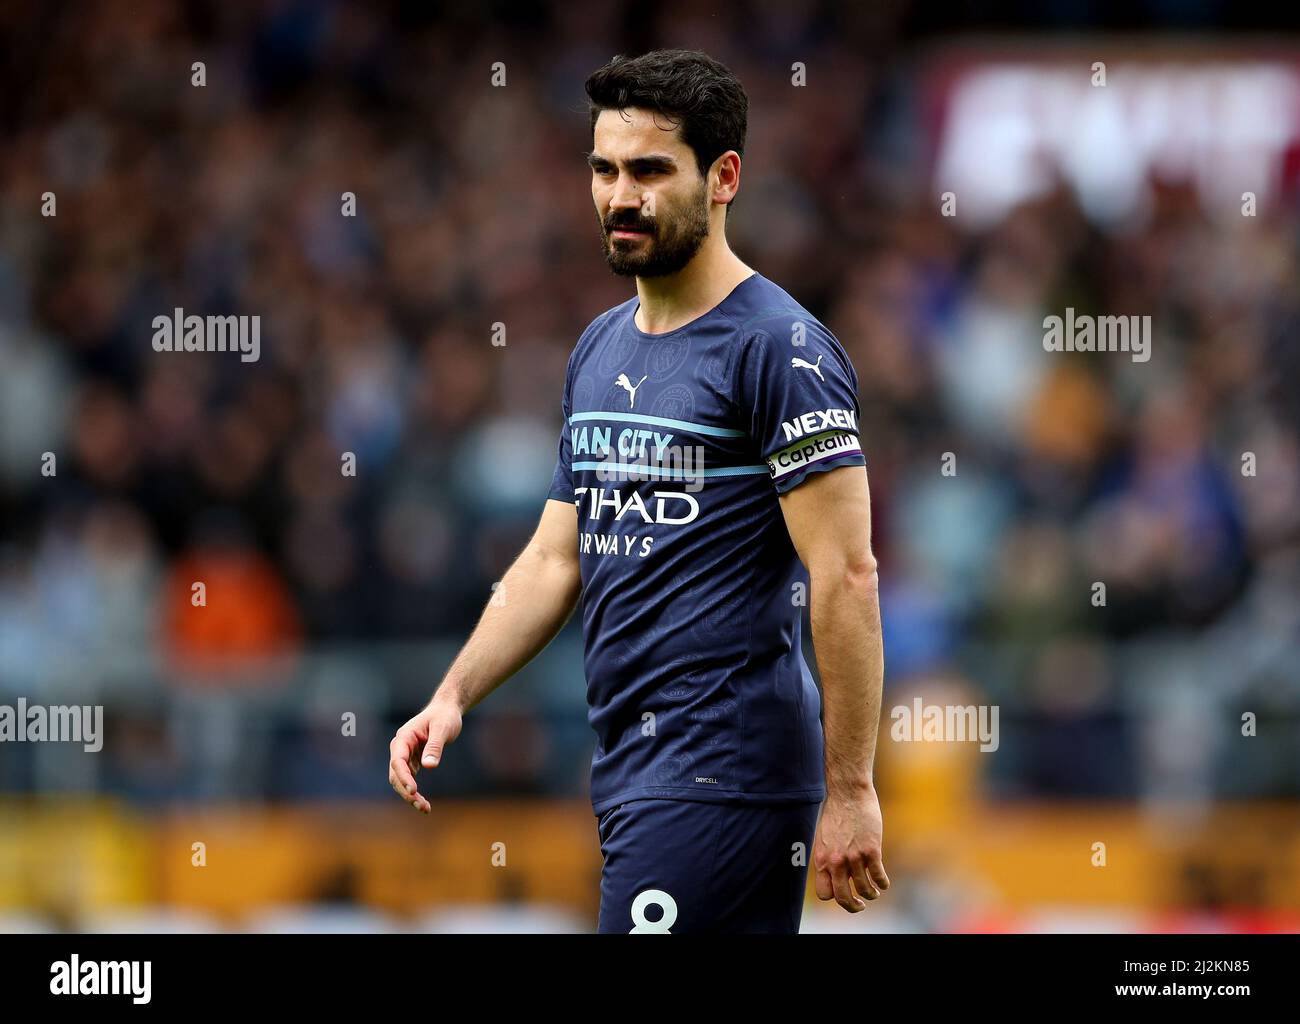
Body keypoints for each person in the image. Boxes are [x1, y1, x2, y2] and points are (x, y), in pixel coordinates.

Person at [389, 48, 888, 933]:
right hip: (631, 771)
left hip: (725, 772)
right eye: (605, 170)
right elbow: (554, 557)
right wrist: (454, 693)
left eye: (651, 170)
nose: (621, 196)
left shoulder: (780, 349)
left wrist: (852, 790)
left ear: (723, 177)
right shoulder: (598, 347)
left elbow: (845, 574)